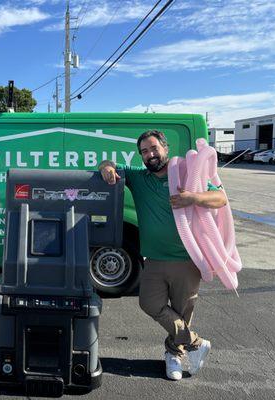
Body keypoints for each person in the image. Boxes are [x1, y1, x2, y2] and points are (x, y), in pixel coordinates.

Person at [98, 130, 227, 381]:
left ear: (165, 148)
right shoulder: (138, 177)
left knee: (181, 312)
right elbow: (109, 165)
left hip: (186, 259)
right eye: (144, 151)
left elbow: (221, 198)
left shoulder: (187, 175)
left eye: (154, 148)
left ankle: (173, 356)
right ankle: (196, 343)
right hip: (154, 259)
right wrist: (106, 168)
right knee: (149, 303)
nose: (150, 154)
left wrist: (194, 197)